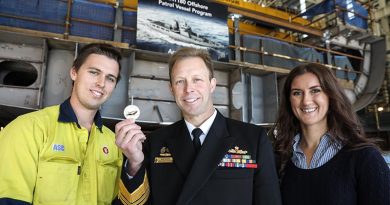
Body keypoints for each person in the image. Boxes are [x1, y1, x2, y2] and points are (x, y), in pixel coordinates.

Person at [115, 47, 282, 205]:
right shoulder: (156, 142)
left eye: (197, 80)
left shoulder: (253, 139)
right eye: (180, 81)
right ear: (171, 89)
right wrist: (134, 163)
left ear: (212, 84)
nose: (189, 89)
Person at [0, 43, 124, 204]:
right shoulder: (27, 128)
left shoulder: (115, 143)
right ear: (74, 72)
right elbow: (10, 200)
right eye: (94, 72)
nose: (101, 83)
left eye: (110, 78)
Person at [273, 63, 390, 205]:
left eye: (315, 90)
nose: (306, 101)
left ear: (330, 95)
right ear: (289, 100)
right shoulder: (280, 159)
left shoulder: (364, 157)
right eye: (297, 93)